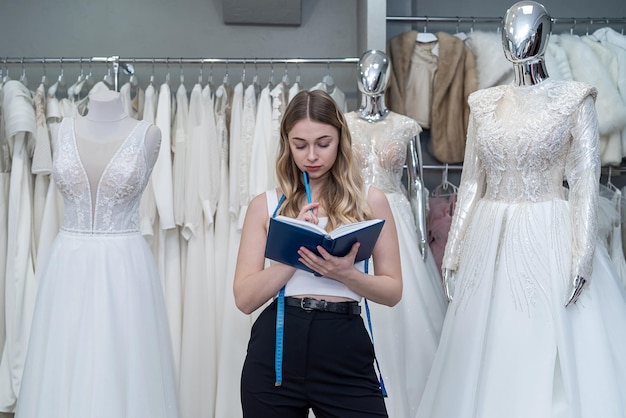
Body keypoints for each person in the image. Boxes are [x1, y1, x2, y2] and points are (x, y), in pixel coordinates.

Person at [416, 2, 626, 417]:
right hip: (490, 236)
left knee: (548, 343)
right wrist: (454, 252)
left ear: (546, 35)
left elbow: (584, 180)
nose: (519, 40)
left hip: (550, 229)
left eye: (529, 30)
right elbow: (472, 180)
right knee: (489, 345)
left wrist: (581, 258)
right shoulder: (483, 103)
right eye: (512, 30)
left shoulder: (574, 98)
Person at [233, 89, 402, 418]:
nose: (312, 155)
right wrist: (293, 252)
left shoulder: (371, 202)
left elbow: (393, 290)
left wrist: (345, 273)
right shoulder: (265, 206)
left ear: (341, 139)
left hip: (344, 346)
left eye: (323, 143)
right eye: (300, 145)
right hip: (276, 354)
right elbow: (244, 299)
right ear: (286, 144)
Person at [15, 90, 179, 418]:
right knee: (64, 362)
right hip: (68, 263)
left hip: (123, 264)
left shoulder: (148, 134)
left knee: (121, 363)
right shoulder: (60, 130)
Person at [344, 50, 447, 417]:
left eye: (378, 72)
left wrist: (421, 236)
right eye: (364, 71)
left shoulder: (405, 126)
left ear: (388, 78)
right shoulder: (343, 123)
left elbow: (418, 183)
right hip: (353, 213)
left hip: (397, 218)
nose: (371, 78)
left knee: (404, 307)